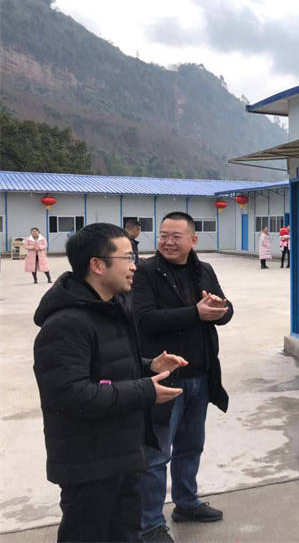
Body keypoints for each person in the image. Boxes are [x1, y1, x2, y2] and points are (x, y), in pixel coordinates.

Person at [32, 223, 187, 542]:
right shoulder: (65, 325)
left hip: (121, 453)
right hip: (89, 464)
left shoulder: (111, 307)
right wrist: (146, 390)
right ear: (97, 265)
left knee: (125, 533)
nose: (135, 265)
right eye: (127, 257)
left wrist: (149, 366)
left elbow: (107, 368)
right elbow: (72, 395)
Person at [133, 211, 233, 543]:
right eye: (163, 235)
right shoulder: (145, 272)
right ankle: (149, 524)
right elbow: (143, 319)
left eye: (176, 236)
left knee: (191, 446)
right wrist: (195, 313)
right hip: (166, 378)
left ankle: (186, 503)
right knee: (156, 455)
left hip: (200, 376)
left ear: (193, 239)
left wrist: (219, 308)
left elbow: (225, 311)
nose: (168, 242)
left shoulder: (203, 270)